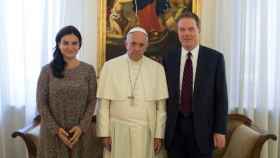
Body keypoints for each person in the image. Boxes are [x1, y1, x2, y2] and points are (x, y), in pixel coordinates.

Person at [163, 12, 228, 158]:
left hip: (203, 132)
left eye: (191, 29)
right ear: (177, 32)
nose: (186, 34)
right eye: (182, 29)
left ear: (199, 30)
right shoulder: (168, 57)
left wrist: (220, 130)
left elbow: (221, 96)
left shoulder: (215, 59)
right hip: (175, 131)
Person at [96, 26, 169, 158]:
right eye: (133, 43)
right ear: (126, 44)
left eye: (141, 45)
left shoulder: (157, 69)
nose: (137, 48)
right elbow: (103, 104)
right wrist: (104, 133)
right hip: (117, 130)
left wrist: (159, 135)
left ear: (146, 46)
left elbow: (161, 108)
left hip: (146, 131)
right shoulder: (110, 66)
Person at [36, 25, 98, 158]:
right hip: (53, 135)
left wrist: (81, 127)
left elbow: (92, 101)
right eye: (65, 43)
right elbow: (41, 104)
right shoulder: (47, 71)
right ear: (58, 44)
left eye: (74, 43)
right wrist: (57, 130)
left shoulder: (88, 70)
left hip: (80, 134)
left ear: (80, 45)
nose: (70, 47)